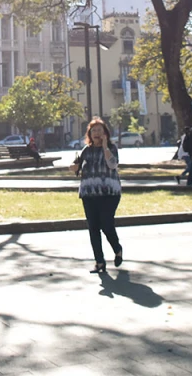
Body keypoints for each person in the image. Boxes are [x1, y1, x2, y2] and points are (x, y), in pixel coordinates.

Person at [72, 117, 122, 274]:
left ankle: (117, 248)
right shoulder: (86, 150)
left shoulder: (111, 148)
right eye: (94, 131)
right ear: (89, 134)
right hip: (89, 193)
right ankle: (99, 262)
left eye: (100, 130)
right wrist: (73, 167)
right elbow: (75, 167)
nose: (97, 133)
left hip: (109, 193)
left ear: (105, 133)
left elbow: (113, 164)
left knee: (106, 224)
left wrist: (105, 147)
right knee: (93, 228)